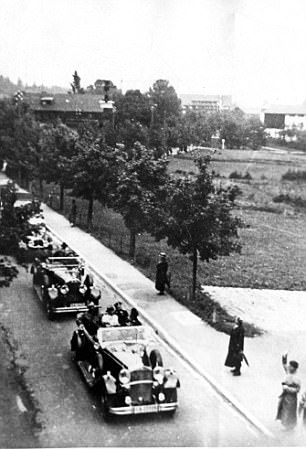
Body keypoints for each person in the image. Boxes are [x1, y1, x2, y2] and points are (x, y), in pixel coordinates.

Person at [276, 354, 301, 430]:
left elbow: (297, 390)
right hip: (285, 395)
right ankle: (286, 425)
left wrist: (287, 388)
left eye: (291, 366)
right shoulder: (288, 372)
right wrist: (284, 357)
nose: (289, 367)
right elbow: (284, 365)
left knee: (289, 412)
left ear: (294, 368)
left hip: (291, 397)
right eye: (289, 366)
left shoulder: (296, 378)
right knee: (284, 410)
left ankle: (290, 426)